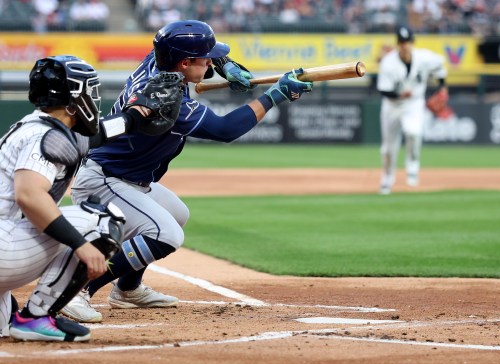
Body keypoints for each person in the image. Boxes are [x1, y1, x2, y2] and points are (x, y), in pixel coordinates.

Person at [60, 20, 313, 323]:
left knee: (177, 213)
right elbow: (225, 129)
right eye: (205, 58)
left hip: (127, 177)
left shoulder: (157, 63)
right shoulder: (167, 100)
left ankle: (127, 289)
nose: (209, 61)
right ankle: (77, 289)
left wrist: (225, 66)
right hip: (105, 179)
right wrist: (274, 96)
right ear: (183, 63)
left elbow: (187, 54)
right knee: (166, 234)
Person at [0, 55, 183, 341]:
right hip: (5, 247)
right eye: (88, 91)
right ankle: (36, 317)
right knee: (103, 219)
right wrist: (80, 245)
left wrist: (136, 115)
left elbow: (97, 136)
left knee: (3, 324)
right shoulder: (44, 137)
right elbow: (29, 195)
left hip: (7, 244)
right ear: (73, 99)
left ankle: (17, 315)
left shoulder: (42, 126)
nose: (92, 99)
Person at [377, 25, 448, 195]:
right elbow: (383, 89)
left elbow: (441, 65)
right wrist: (400, 94)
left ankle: (412, 167)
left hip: (414, 103)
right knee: (388, 148)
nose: (405, 45)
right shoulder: (388, 62)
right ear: (397, 44)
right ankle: (387, 179)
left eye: (407, 41)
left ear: (412, 42)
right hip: (392, 105)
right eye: (401, 42)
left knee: (413, 132)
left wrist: (442, 86)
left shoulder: (424, 57)